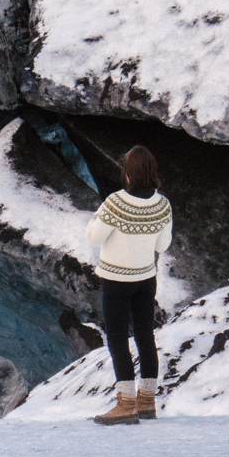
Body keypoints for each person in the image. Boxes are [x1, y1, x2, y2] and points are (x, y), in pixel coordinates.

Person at [86, 145, 172, 425]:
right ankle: (147, 402)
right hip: (146, 279)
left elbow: (93, 238)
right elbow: (163, 244)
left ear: (127, 173)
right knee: (146, 336)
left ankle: (125, 404)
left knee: (118, 340)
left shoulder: (115, 202)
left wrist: (99, 216)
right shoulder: (162, 204)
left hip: (116, 280)